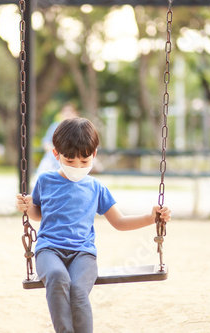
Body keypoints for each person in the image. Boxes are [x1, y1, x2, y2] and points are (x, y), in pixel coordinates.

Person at [16, 117, 171, 333]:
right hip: (48, 249)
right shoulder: (46, 181)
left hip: (83, 253)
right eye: (70, 161)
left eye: (84, 161)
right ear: (56, 154)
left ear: (94, 155)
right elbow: (39, 214)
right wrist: (27, 207)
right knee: (58, 277)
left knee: (78, 289)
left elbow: (119, 221)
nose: (77, 167)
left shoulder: (96, 187)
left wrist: (150, 217)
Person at [35, 103, 79, 176]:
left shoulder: (79, 128)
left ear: (75, 114)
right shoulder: (55, 126)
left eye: (70, 112)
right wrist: (51, 149)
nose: (67, 114)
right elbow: (46, 141)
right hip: (55, 155)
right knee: (48, 159)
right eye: (65, 112)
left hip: (73, 155)